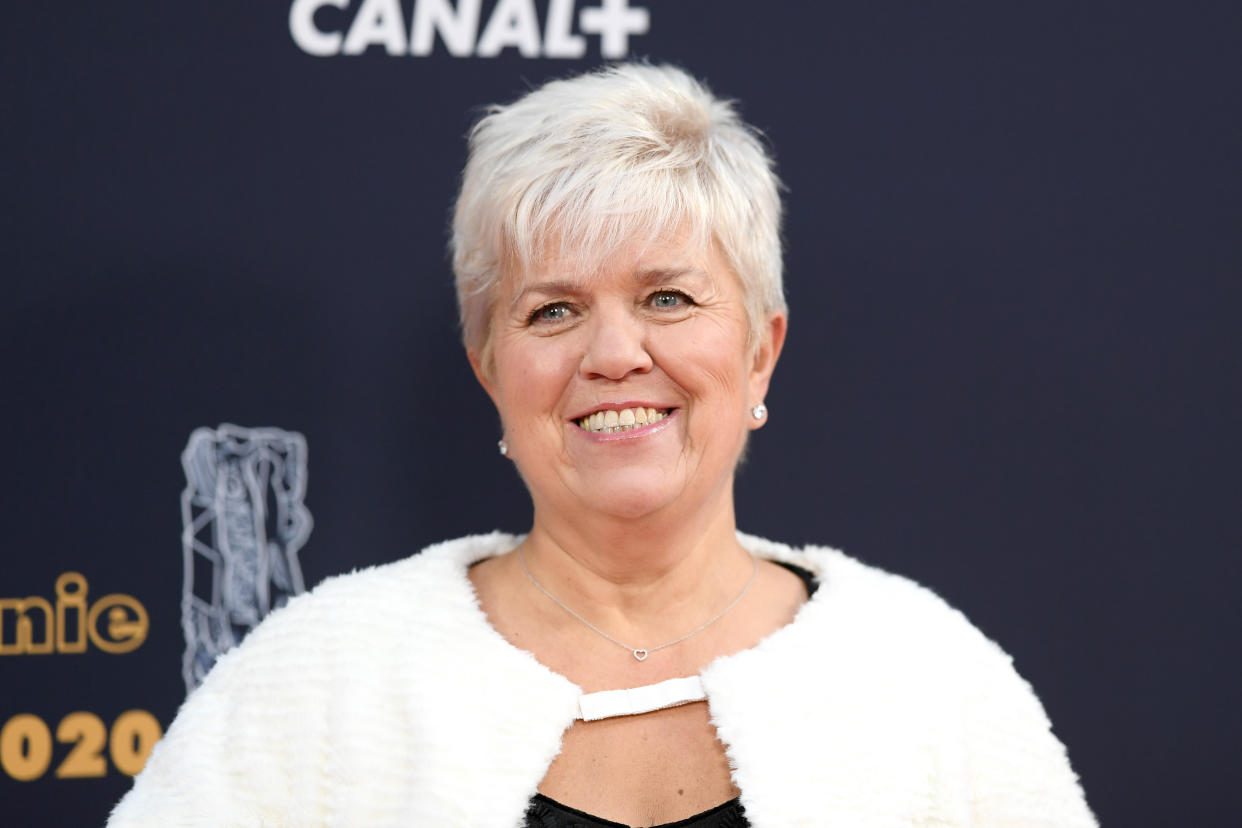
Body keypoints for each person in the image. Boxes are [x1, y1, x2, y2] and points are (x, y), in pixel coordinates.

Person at [109, 64, 1096, 827]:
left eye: (667, 297)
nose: (615, 354)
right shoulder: (318, 683)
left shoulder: (925, 679)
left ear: (760, 351)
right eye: (555, 310)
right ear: (491, 366)